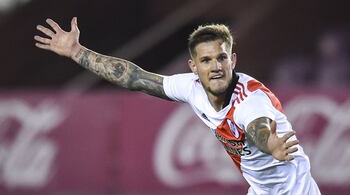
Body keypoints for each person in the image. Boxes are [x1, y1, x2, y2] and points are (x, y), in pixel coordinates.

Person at [34, 17, 321, 195]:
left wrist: (270, 144)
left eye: (221, 58)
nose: (216, 67)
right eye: (206, 61)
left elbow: (258, 128)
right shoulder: (191, 88)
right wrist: (75, 51)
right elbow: (134, 77)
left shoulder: (250, 99)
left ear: (233, 61)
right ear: (193, 67)